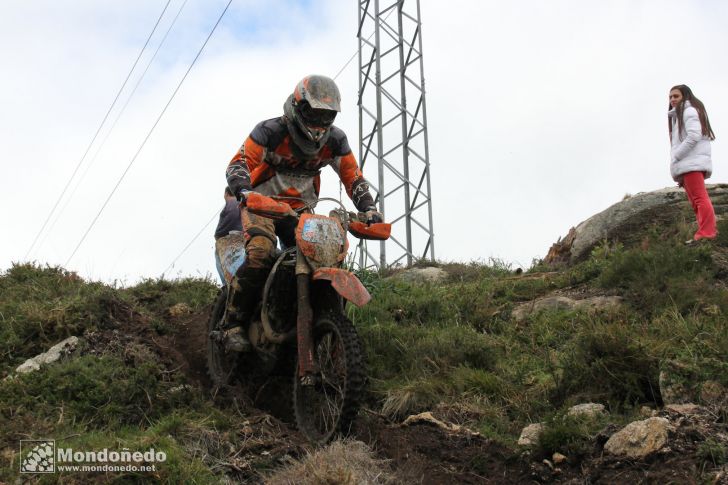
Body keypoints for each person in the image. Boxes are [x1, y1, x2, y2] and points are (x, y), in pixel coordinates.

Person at [223, 74, 382, 352]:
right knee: (261, 251)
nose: (318, 123)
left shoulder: (335, 140)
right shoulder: (270, 131)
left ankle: (314, 318)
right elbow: (239, 162)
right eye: (313, 113)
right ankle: (232, 323)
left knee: (322, 256)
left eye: (326, 115)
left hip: (299, 212)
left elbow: (352, 176)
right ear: (297, 107)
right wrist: (244, 192)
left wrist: (368, 208)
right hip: (263, 204)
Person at [668, 84, 717, 244]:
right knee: (696, 201)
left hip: (691, 163)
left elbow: (694, 136)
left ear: (685, 96)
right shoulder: (679, 115)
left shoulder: (688, 111)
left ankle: (707, 232)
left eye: (676, 96)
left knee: (700, 198)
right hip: (688, 164)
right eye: (670, 97)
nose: (672, 100)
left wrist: (677, 155)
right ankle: (704, 232)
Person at [213, 187, 243, 284]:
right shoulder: (240, 202)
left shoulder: (233, 202)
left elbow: (232, 215)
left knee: (232, 270)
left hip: (232, 240)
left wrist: (218, 233)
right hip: (241, 239)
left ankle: (229, 290)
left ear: (226, 193)